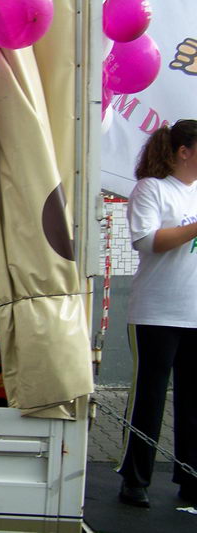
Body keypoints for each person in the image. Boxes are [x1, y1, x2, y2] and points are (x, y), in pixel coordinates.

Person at [117, 119, 197, 508]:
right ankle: (135, 478)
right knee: (149, 397)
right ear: (184, 151)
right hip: (156, 313)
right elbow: (149, 242)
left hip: (194, 311)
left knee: (193, 401)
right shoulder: (152, 189)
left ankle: (190, 477)